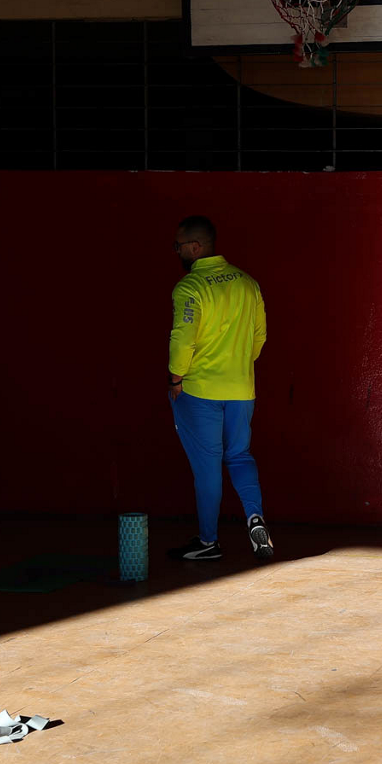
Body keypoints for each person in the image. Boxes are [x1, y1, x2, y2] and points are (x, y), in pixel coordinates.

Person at [166, 215, 273, 561]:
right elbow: (260, 337)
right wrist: (238, 365)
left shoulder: (190, 287)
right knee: (240, 455)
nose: (177, 251)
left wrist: (176, 379)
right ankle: (255, 517)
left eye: (179, 245)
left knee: (208, 466)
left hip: (199, 391)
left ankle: (208, 542)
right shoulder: (248, 283)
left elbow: (182, 339)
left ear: (195, 247)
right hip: (241, 389)